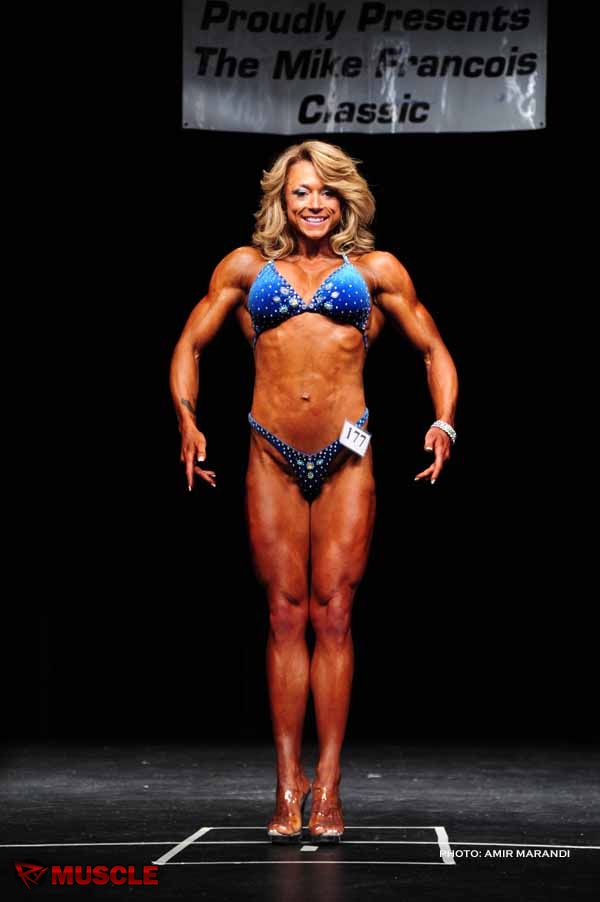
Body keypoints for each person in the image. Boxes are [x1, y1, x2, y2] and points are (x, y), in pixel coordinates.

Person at [169, 140, 458, 844]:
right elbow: (190, 344)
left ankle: (327, 785)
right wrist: (187, 420)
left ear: (345, 199)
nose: (315, 203)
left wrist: (443, 420)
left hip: (347, 458)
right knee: (283, 615)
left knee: (333, 615)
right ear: (282, 199)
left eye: (327, 191)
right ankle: (285, 781)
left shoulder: (375, 270)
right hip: (270, 452)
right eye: (302, 191)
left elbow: (433, 349)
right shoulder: (247, 267)